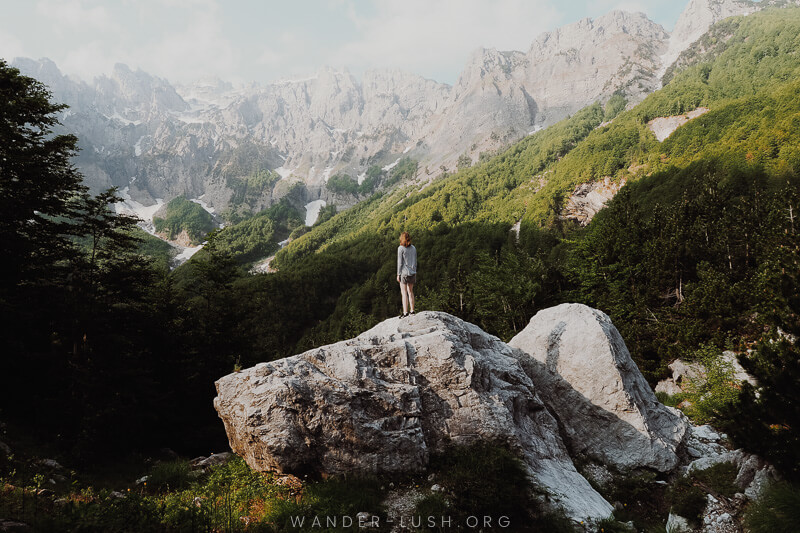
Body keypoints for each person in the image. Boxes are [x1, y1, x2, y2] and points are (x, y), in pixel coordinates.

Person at [396, 231, 417, 317]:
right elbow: (415, 261)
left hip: (404, 273)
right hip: (412, 272)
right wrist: (414, 270)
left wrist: (398, 274)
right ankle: (412, 311)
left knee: (404, 293)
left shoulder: (400, 248)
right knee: (410, 292)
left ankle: (405, 312)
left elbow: (400, 263)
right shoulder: (413, 248)